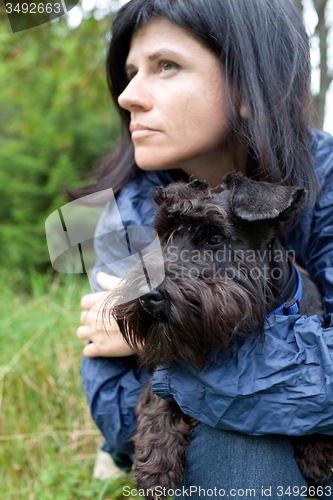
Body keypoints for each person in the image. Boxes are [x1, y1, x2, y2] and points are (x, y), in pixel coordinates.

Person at [72, 0, 333, 498]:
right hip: (205, 447)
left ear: (252, 87)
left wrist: (163, 356)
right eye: (128, 73)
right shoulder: (107, 212)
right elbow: (111, 397)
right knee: (236, 447)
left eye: (166, 65)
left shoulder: (328, 180)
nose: (127, 96)